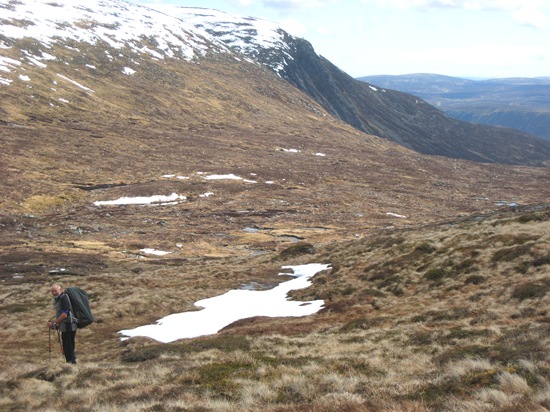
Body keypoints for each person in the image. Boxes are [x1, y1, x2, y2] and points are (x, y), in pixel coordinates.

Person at [48, 283, 78, 364]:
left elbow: (65, 314)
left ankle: (72, 364)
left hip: (69, 325)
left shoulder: (64, 298)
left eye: (55, 291)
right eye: (52, 291)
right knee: (66, 345)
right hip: (65, 326)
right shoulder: (59, 299)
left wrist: (54, 323)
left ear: (60, 289)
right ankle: (69, 363)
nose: (54, 293)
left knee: (69, 346)